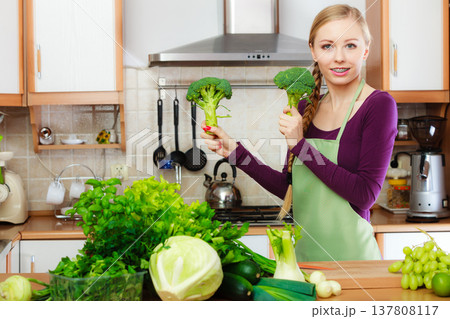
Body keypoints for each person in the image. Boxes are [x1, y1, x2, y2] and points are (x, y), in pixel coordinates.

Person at [200, 4, 397, 262]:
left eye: (350, 45)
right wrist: (235, 152)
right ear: (313, 51)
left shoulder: (379, 105)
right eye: (327, 46)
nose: (339, 57)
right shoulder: (305, 109)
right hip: (305, 263)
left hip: (356, 264)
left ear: (365, 50)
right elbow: (289, 189)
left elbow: (365, 194)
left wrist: (300, 145)